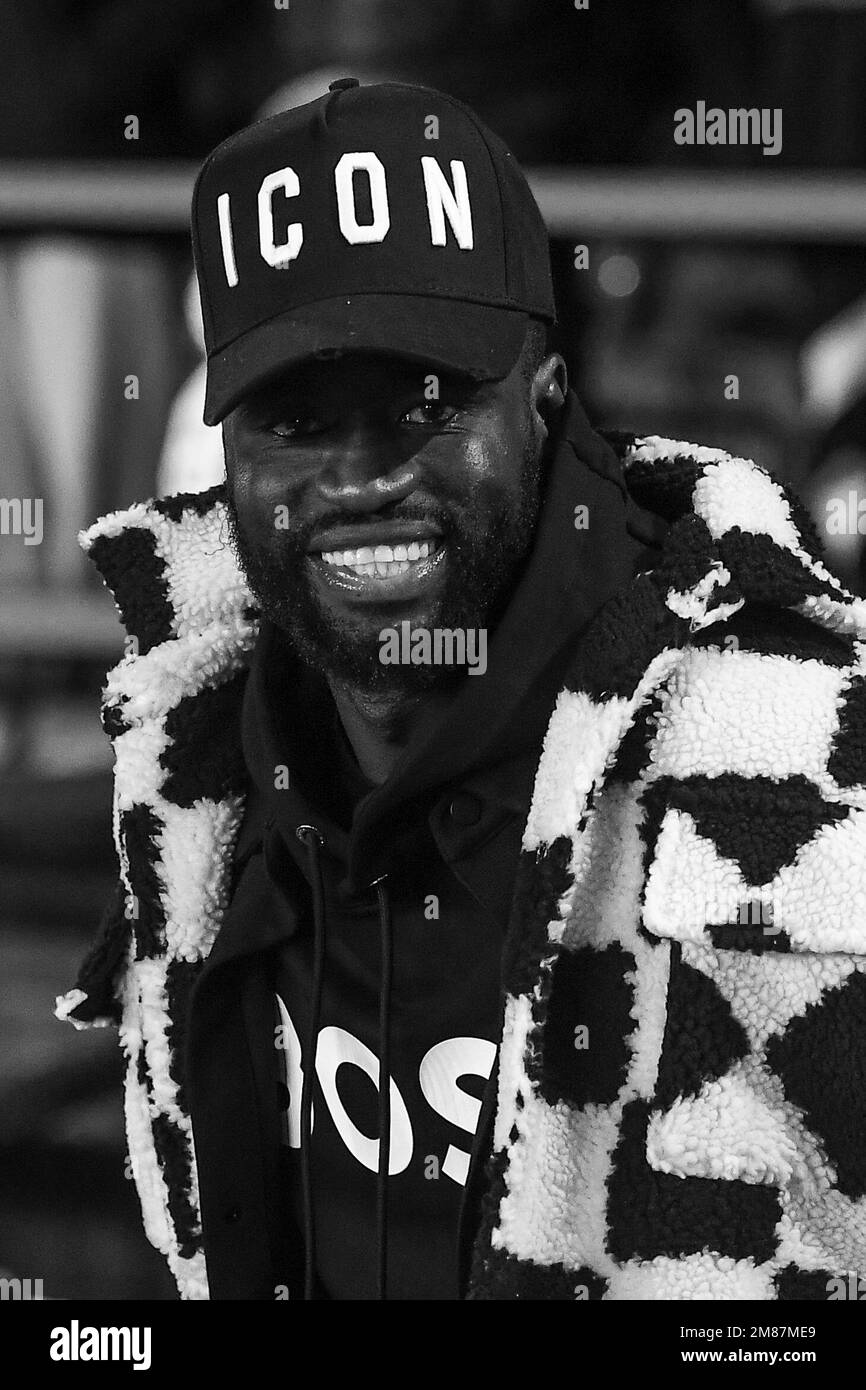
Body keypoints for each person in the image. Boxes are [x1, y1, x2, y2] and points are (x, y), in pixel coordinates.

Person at [57, 80, 866, 1302]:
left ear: (544, 399)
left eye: (423, 403)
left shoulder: (789, 766)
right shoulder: (191, 763)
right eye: (295, 415)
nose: (359, 474)